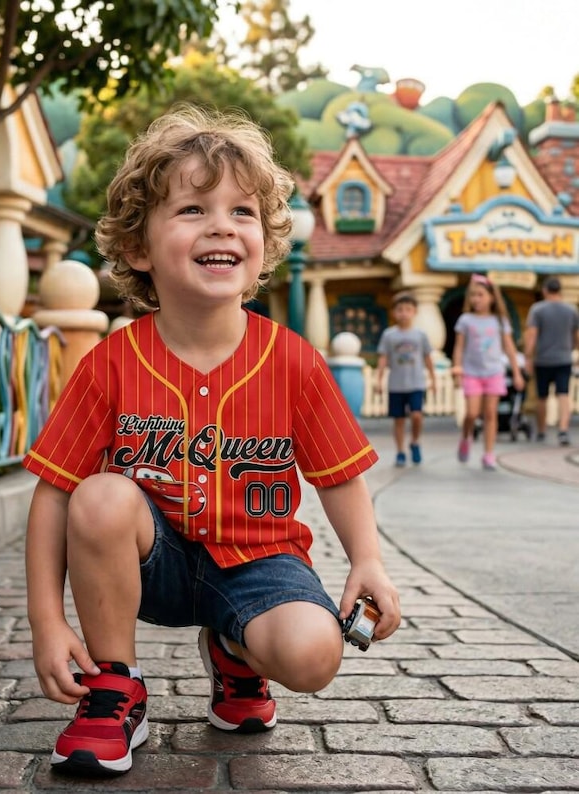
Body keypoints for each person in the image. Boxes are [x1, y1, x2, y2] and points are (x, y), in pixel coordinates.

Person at [22, 104, 401, 777]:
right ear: (139, 247)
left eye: (242, 212)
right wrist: (48, 623)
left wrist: (367, 559)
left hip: (260, 563)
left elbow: (338, 473)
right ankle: (115, 687)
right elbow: (53, 494)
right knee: (99, 495)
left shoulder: (293, 361)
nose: (222, 224)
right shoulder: (110, 363)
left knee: (314, 655)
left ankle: (236, 656)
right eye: (193, 210)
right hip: (153, 564)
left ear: (262, 244)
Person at [451, 273, 524, 470]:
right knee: (472, 413)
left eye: (481, 295)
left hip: (494, 372)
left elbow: (509, 348)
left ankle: (488, 454)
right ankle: (466, 437)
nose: (476, 299)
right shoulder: (465, 320)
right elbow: (459, 347)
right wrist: (457, 368)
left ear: (492, 297)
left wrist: (517, 372)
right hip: (472, 373)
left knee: (491, 413)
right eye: (473, 295)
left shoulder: (500, 321)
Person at [375, 292, 436, 467]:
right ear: (394, 312)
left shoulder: (420, 335)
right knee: (399, 419)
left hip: (417, 383)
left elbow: (428, 358)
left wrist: (433, 379)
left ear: (414, 311)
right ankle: (400, 451)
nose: (404, 313)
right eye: (400, 309)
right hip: (396, 384)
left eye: (408, 309)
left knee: (417, 415)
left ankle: (415, 441)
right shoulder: (389, 335)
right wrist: (378, 380)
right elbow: (383, 358)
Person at [523, 276, 579, 446]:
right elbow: (576, 336)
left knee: (542, 397)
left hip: (543, 359)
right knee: (563, 395)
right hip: (564, 358)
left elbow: (532, 335)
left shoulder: (537, 310)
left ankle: (542, 431)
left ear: (545, 290)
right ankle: (563, 430)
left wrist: (528, 357)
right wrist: (574, 350)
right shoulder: (571, 310)